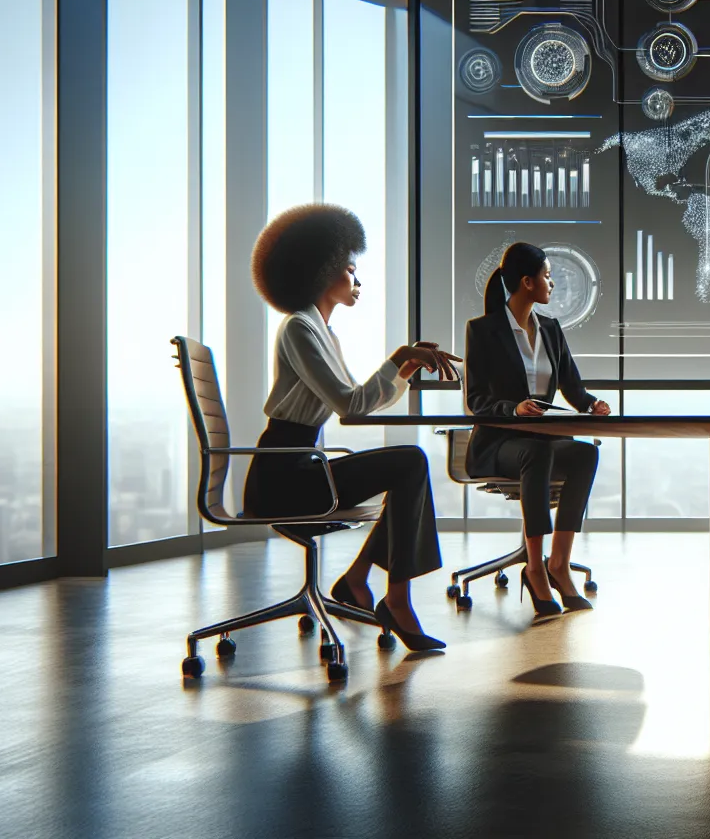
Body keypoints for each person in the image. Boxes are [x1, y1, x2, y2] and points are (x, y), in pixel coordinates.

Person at [243, 203, 459, 652]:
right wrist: (401, 361)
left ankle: (362, 580)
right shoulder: (300, 329)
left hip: (302, 464)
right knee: (409, 463)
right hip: (284, 476)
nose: (358, 282)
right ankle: (395, 601)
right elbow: (352, 406)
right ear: (322, 270)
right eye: (350, 270)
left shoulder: (322, 331)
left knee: (407, 470)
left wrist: (403, 364)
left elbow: (356, 401)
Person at [463, 242, 611, 619]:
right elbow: (476, 400)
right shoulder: (482, 330)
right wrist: (512, 408)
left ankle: (558, 563)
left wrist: (591, 405)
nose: (552, 283)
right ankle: (534, 567)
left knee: (585, 453)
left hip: (541, 441)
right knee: (538, 451)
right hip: (500, 443)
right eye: (547, 276)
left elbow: (572, 387)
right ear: (527, 282)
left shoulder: (550, 328)